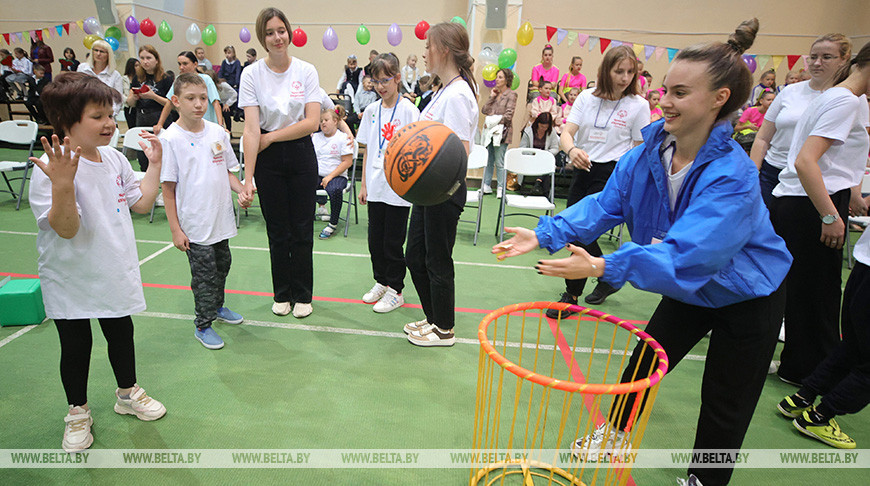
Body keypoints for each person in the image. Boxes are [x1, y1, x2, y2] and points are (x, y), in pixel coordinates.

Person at [494, 19, 792, 486]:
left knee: (725, 399)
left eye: (680, 93)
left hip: (747, 294)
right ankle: (613, 433)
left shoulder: (732, 176)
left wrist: (604, 264)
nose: (664, 101)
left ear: (720, 100)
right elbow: (604, 205)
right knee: (645, 364)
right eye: (665, 89)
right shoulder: (648, 153)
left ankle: (703, 480)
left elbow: (689, 256)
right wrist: (546, 233)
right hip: (691, 290)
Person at [28, 71, 167, 453]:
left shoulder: (114, 158)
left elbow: (140, 203)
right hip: (70, 275)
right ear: (66, 122)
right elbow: (67, 230)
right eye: (97, 116)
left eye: (110, 114)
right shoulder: (50, 167)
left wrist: (154, 164)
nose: (109, 123)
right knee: (76, 345)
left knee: (121, 333)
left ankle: (127, 393)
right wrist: (62, 185)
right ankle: (77, 411)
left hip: (112, 266)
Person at [776, 48, 870, 450]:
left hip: (806, 200)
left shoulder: (836, 97)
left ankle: (803, 382)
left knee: (809, 296)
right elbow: (806, 161)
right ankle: (811, 392)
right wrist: (831, 215)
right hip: (811, 203)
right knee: (819, 298)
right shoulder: (845, 100)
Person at [238, 7, 321, 319]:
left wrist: (271, 138)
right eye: (270, 32)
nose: (277, 37)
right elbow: (250, 129)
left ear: (290, 32)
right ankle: (282, 293)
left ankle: (303, 294)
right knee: (277, 230)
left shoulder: (306, 71)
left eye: (281, 30)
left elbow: (312, 122)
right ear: (263, 37)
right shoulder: (251, 74)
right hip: (267, 160)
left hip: (300, 154)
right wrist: (248, 177)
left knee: (301, 229)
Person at [555, 45, 650, 312]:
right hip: (583, 168)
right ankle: (609, 275)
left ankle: (571, 296)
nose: (625, 77)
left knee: (581, 230)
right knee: (572, 232)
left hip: (613, 174)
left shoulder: (639, 105)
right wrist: (572, 151)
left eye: (631, 72)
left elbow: (641, 149)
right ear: (606, 70)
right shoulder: (586, 97)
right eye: (619, 71)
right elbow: (566, 133)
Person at [404, 22, 478, 347]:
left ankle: (444, 328)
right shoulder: (443, 91)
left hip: (442, 191)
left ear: (444, 50)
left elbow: (458, 154)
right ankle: (434, 317)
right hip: (428, 190)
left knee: (436, 259)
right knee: (414, 256)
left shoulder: (459, 94)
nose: (423, 53)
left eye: (428, 46)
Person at [159, 73, 246, 350]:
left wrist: (241, 189)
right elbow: (168, 188)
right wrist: (175, 229)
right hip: (194, 224)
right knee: (204, 275)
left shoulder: (217, 132)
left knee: (223, 265)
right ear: (176, 101)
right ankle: (203, 323)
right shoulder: (171, 138)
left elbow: (228, 172)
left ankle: (218, 307)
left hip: (220, 218)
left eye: (203, 98)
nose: (198, 104)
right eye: (190, 98)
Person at [751, 34, 852, 209]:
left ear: (844, 60)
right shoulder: (789, 92)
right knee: (764, 231)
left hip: (818, 179)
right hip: (774, 171)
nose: (817, 62)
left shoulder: (847, 97)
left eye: (826, 57)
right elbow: (762, 139)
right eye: (813, 57)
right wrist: (752, 174)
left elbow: (855, 147)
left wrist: (855, 189)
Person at [357, 53, 418, 313]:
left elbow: (417, 151)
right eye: (376, 81)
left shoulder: (409, 111)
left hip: (398, 187)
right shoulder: (371, 111)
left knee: (393, 242)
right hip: (375, 184)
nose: (381, 86)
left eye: (386, 80)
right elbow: (369, 149)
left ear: (397, 78)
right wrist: (364, 185)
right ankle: (381, 281)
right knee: (375, 239)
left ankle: (396, 290)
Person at [126, 45, 173, 172]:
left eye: (148, 58)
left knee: (163, 154)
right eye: (142, 58)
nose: (145, 61)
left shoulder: (166, 78)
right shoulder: (138, 77)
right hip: (141, 117)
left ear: (156, 59)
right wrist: (134, 97)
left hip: (160, 116)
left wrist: (153, 96)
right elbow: (130, 103)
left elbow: (171, 104)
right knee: (143, 154)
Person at [154, 51, 224, 133]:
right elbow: (169, 103)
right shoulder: (179, 80)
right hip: (188, 128)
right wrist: (159, 124)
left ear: (195, 64)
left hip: (208, 127)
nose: (181, 67)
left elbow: (216, 103)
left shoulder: (206, 79)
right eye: (179, 64)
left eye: (185, 64)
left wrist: (220, 125)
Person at [313, 107, 353, 239]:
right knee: (300, 183)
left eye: (326, 120)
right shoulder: (315, 137)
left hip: (337, 176)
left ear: (335, 121)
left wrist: (329, 176)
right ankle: (304, 219)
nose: (323, 123)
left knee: (335, 190)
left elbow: (347, 162)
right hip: (317, 174)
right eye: (321, 121)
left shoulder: (343, 138)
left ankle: (332, 224)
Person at [481, 68, 517, 197]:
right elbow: (485, 110)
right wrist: (491, 97)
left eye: (500, 77)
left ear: (507, 80)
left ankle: (501, 187)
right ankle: (486, 185)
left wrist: (491, 122)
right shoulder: (496, 94)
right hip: (490, 132)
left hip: (502, 132)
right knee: (489, 159)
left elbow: (508, 115)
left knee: (499, 160)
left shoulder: (511, 95)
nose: (497, 79)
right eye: (497, 77)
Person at [77, 40, 124, 116]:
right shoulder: (82, 68)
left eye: (102, 52)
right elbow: (76, 91)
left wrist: (109, 115)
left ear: (108, 55)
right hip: (84, 114)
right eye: (96, 50)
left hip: (106, 115)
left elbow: (118, 100)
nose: (98, 54)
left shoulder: (115, 75)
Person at [521, 112, 560, 197]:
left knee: (546, 163)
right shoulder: (528, 131)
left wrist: (545, 154)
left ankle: (538, 184)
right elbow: (522, 148)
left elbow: (555, 148)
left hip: (545, 158)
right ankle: (546, 194)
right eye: (542, 126)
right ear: (537, 123)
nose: (544, 129)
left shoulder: (552, 132)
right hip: (531, 158)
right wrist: (534, 154)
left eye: (546, 127)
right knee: (546, 165)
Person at [121, 58, 139, 127]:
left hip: (138, 107)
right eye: (136, 65)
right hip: (128, 108)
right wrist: (127, 100)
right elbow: (120, 93)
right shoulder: (123, 79)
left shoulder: (140, 78)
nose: (138, 67)